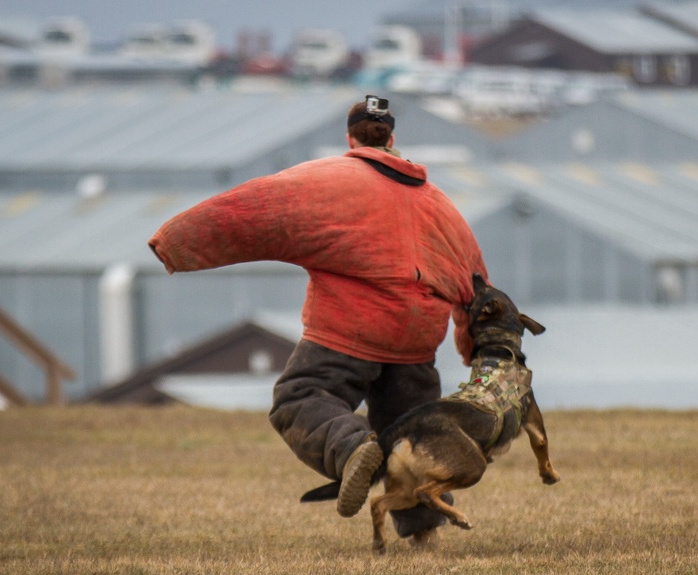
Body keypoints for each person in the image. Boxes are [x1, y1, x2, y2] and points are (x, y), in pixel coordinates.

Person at [148, 94, 488, 538]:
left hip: (352, 328)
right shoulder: (439, 204)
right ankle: (423, 534)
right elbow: (477, 282)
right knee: (414, 436)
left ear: (350, 138)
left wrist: (174, 243)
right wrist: (469, 345)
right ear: (392, 138)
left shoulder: (329, 180)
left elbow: (252, 209)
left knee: (300, 397)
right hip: (418, 338)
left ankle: (351, 452)